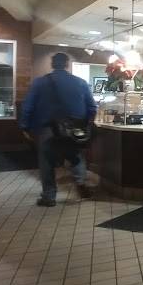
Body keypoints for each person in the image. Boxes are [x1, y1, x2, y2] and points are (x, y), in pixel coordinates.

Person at [20, 52, 97, 206]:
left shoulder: (39, 83)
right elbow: (92, 108)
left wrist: (24, 126)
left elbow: (27, 106)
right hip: (73, 128)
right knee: (76, 156)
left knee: (46, 161)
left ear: (52, 64)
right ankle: (80, 183)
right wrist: (85, 124)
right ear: (67, 64)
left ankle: (49, 197)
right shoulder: (81, 83)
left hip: (47, 129)